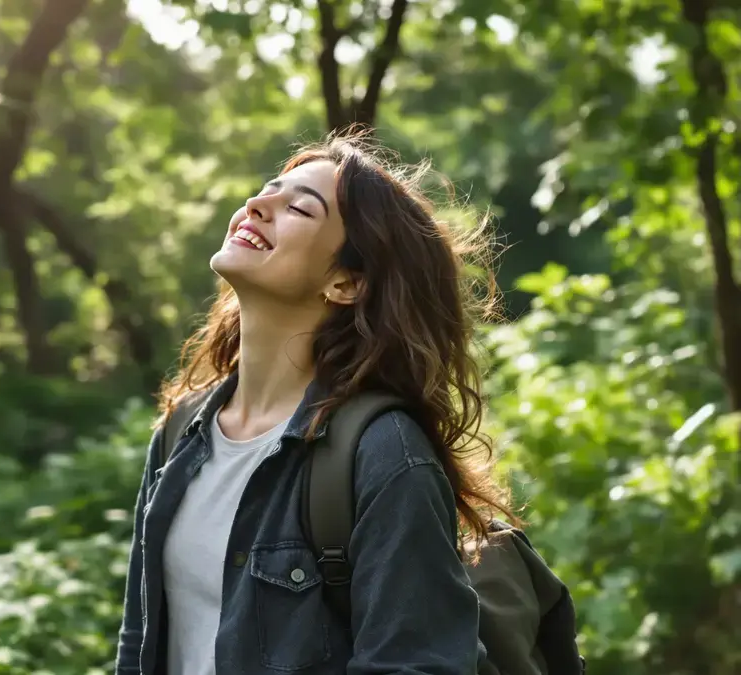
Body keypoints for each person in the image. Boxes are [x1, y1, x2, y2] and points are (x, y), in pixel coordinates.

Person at [114, 132, 514, 675]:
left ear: (346, 283)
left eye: (299, 208)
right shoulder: (183, 428)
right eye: (267, 189)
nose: (257, 205)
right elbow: (138, 640)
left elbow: (415, 663)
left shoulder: (384, 453)